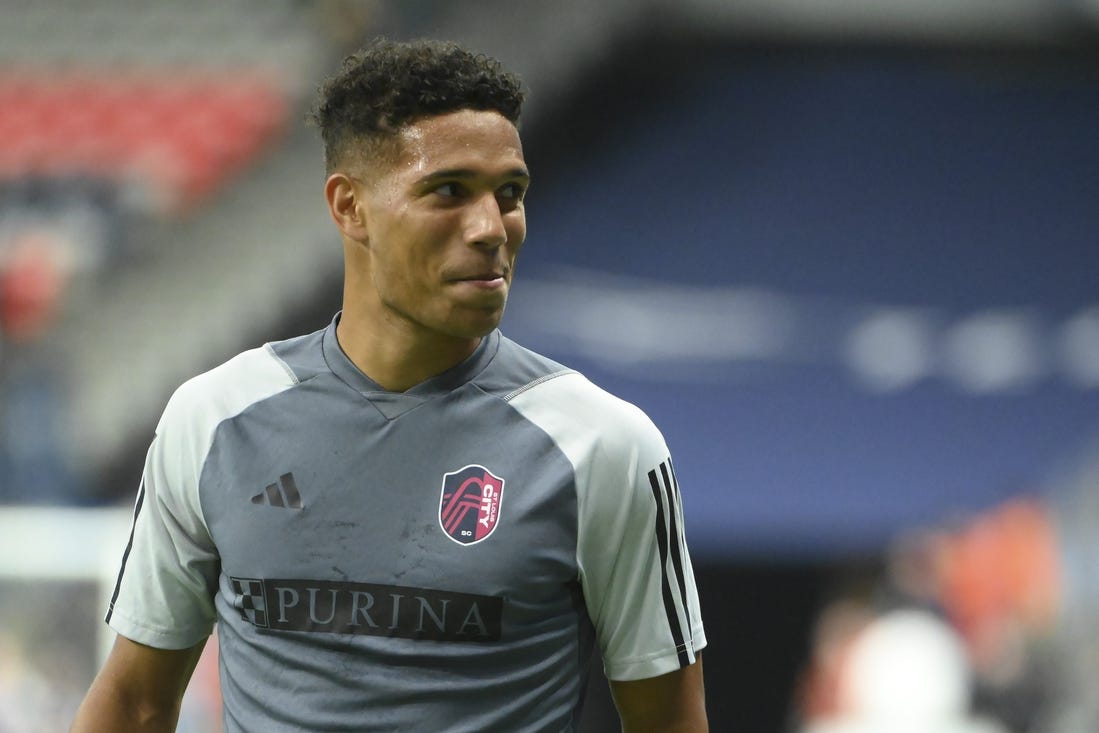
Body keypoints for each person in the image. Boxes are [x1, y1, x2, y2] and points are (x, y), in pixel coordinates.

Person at [71, 38, 707, 732]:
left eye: (510, 193)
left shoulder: (604, 445)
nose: (492, 228)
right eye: (448, 191)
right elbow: (134, 702)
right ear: (349, 207)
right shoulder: (215, 417)